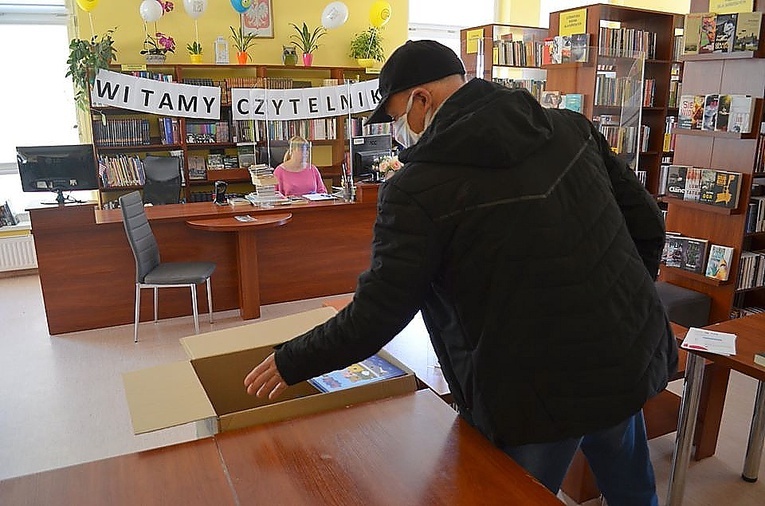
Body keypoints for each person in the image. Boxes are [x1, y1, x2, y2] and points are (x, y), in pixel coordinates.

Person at [244, 40, 677, 504]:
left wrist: (294, 360)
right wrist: (617, 296)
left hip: (532, 392)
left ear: (422, 99)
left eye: (395, 116)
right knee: (633, 491)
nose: (397, 131)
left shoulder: (417, 189)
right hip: (620, 354)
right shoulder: (569, 127)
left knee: (510, 495)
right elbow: (648, 224)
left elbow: (378, 313)